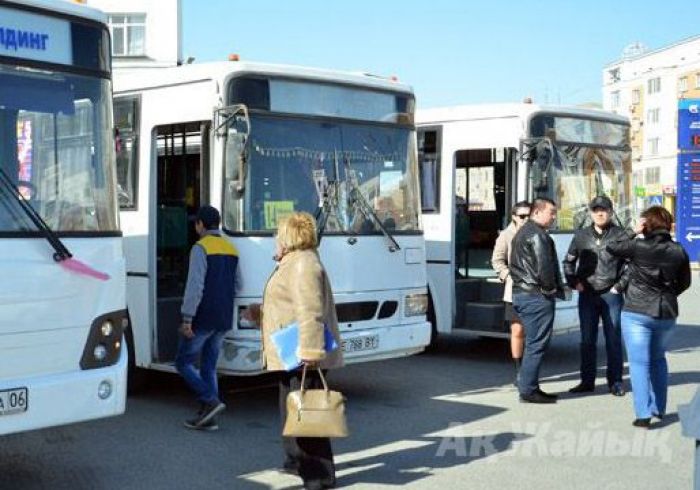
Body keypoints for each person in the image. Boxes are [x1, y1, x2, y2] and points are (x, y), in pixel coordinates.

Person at [246, 212, 343, 490]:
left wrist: (311, 352)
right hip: (291, 351)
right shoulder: (294, 261)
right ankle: (296, 462)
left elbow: (310, 310)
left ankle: (320, 477)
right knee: (292, 412)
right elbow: (288, 304)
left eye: (279, 233)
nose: (275, 237)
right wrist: (261, 313)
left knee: (308, 418)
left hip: (303, 354)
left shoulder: (303, 264)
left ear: (290, 235)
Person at [607, 206, 691, 428]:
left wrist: (633, 231)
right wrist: (668, 295)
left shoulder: (638, 246)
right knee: (658, 360)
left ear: (647, 224)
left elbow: (612, 246)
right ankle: (659, 409)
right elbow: (685, 283)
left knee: (638, 364)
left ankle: (643, 415)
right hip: (666, 313)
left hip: (637, 311)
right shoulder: (679, 250)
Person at [175, 205, 239, 430]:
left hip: (203, 316)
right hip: (224, 317)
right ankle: (207, 417)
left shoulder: (200, 248)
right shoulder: (231, 248)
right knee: (209, 366)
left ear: (200, 224)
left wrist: (186, 318)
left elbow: (195, 287)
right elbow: (238, 285)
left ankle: (210, 400)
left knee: (183, 362)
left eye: (196, 223)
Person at [563, 196, 629, 396]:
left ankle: (615, 381)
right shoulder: (581, 235)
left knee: (613, 339)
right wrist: (574, 281)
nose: (600, 213)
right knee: (587, 340)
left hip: (612, 294)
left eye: (604, 210)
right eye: (596, 210)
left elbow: (630, 265)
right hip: (588, 295)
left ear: (610, 211)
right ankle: (587, 380)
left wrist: (619, 286)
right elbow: (568, 262)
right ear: (590, 212)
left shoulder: (621, 235)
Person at [510, 197, 565, 404]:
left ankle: (530, 386)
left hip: (523, 294)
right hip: (536, 296)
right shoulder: (538, 235)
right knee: (536, 344)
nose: (554, 216)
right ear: (537, 212)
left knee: (533, 343)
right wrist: (550, 291)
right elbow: (545, 269)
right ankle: (528, 390)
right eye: (551, 212)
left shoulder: (523, 233)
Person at [491, 200, 531, 385]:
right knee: (517, 330)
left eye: (529, 215)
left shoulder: (538, 233)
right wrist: (508, 276)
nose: (526, 219)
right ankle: (519, 371)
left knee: (533, 331)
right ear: (514, 217)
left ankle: (530, 370)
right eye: (522, 216)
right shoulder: (506, 235)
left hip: (535, 291)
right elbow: (497, 260)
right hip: (514, 290)